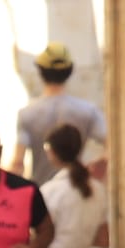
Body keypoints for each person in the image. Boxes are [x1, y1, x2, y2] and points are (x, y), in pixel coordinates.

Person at [12, 43, 108, 186]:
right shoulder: (87, 111)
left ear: (40, 71)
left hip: (41, 192)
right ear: (69, 71)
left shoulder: (27, 114)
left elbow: (18, 163)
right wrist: (102, 161)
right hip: (77, 191)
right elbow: (113, 144)